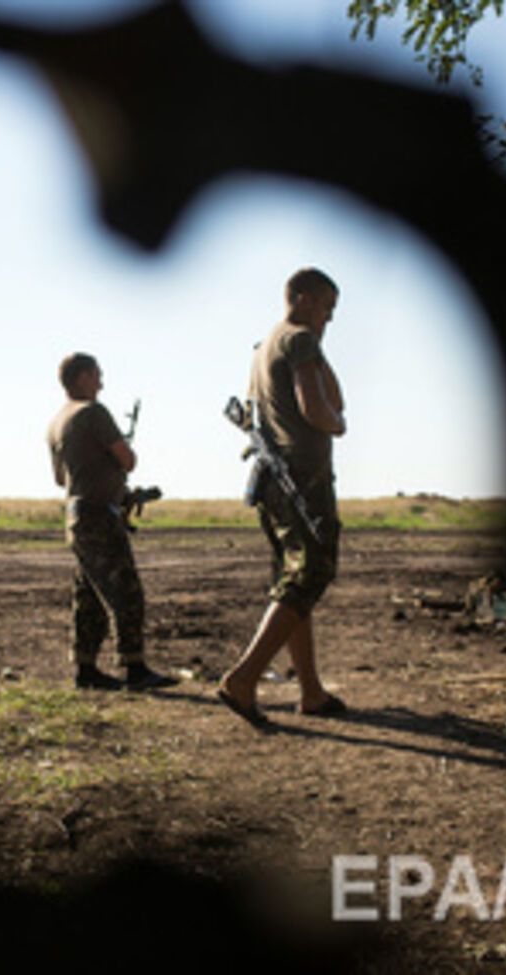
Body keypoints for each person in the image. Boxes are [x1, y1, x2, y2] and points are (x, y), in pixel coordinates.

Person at [218, 268, 348, 723]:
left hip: (274, 479)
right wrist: (338, 424)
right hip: (302, 477)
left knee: (293, 582)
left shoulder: (267, 344)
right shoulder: (298, 341)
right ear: (300, 297)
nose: (327, 319)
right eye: (324, 307)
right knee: (311, 573)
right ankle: (244, 678)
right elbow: (322, 407)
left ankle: (311, 691)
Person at [47, 353, 177, 692]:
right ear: (83, 377)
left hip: (76, 517)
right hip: (98, 517)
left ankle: (86, 669)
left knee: (88, 596)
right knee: (126, 592)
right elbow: (128, 459)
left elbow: (61, 479)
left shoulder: (57, 422)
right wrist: (113, 474)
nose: (101, 383)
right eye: (97, 375)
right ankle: (135, 668)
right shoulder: (93, 413)